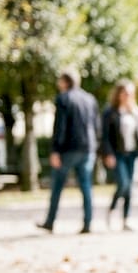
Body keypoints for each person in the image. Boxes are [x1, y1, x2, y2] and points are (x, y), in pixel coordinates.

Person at [38, 67, 100, 234]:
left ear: (64, 82)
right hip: (88, 148)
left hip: (68, 149)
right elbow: (96, 126)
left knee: (57, 185)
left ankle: (50, 221)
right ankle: (88, 222)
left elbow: (60, 126)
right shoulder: (90, 99)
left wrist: (55, 150)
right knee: (86, 186)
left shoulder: (63, 99)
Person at [99, 80, 138, 231]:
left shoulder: (135, 111)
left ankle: (126, 219)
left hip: (132, 154)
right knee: (123, 184)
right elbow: (105, 136)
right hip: (117, 154)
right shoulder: (110, 112)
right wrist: (107, 154)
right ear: (119, 94)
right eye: (125, 93)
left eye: (130, 93)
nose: (128, 96)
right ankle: (113, 208)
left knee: (130, 187)